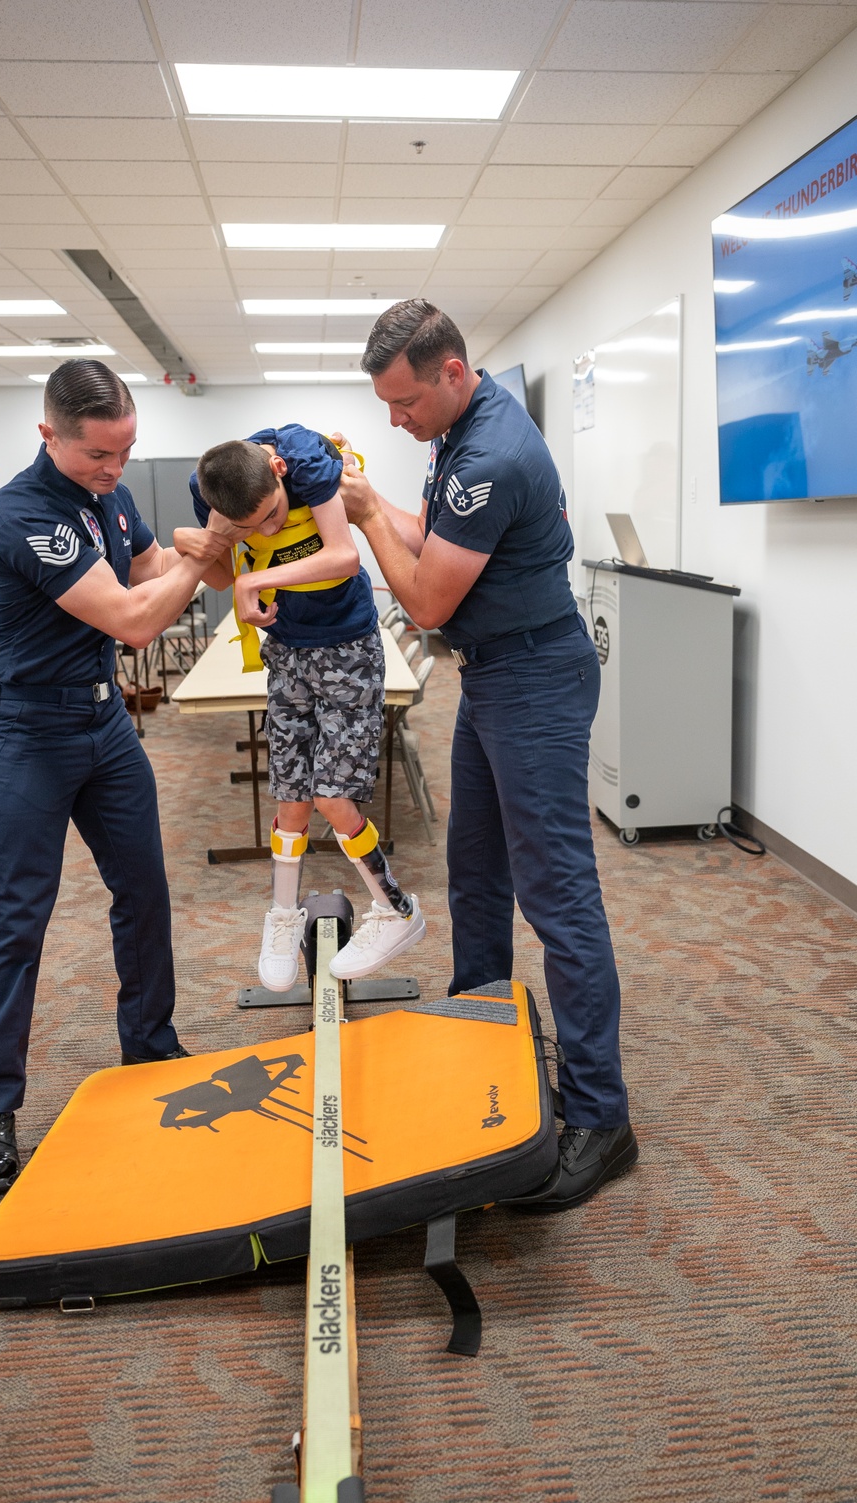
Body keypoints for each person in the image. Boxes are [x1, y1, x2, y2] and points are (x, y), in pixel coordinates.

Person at [334, 300, 637, 1212]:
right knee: (475, 870)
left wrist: (363, 522)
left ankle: (601, 1115)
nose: (397, 418)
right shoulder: (461, 432)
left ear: (452, 373)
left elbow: (424, 596)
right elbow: (430, 537)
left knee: (557, 895)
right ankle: (480, 1031)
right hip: (497, 671)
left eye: (404, 402)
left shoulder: (495, 453)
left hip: (534, 677)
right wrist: (371, 502)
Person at [0, 359, 219, 1197]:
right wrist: (207, 550)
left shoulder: (107, 495)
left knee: (144, 892)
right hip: (28, 731)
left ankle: (149, 1046)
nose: (114, 471)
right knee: (13, 919)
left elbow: (148, 571)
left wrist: (195, 555)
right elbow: (138, 617)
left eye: (126, 451)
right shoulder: (25, 515)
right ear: (49, 436)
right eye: (97, 457)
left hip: (104, 722)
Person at [178, 425, 425, 991]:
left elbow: (341, 556)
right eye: (253, 525)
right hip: (288, 650)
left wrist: (256, 577)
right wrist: (201, 545)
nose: (267, 529)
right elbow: (222, 570)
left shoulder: (306, 460)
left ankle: (396, 908)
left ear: (279, 472)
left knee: (333, 796)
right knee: (290, 796)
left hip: (346, 646)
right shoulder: (213, 488)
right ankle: (282, 915)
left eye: (273, 514)